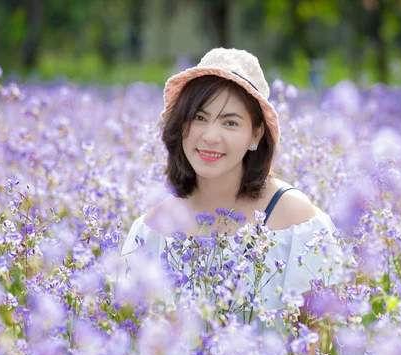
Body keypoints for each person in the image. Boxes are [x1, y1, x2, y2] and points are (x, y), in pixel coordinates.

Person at [121, 48, 341, 316]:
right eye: (199, 118)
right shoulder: (152, 230)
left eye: (230, 123)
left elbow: (317, 339)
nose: (211, 136)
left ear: (256, 135)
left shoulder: (293, 218)